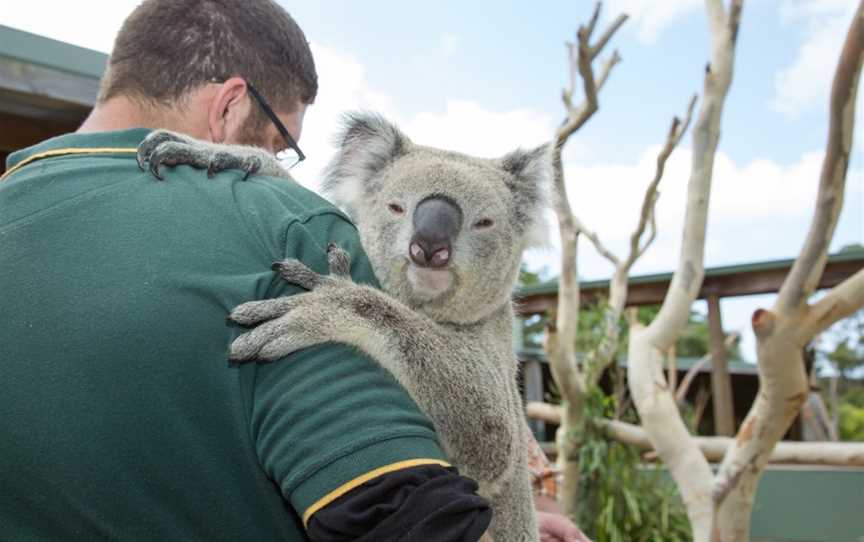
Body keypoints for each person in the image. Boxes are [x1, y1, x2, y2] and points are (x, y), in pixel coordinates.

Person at [0, 1, 588, 540]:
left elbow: (481, 446)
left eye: (280, 158)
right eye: (281, 146)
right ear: (229, 107)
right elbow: (398, 517)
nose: (279, 163)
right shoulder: (294, 237)